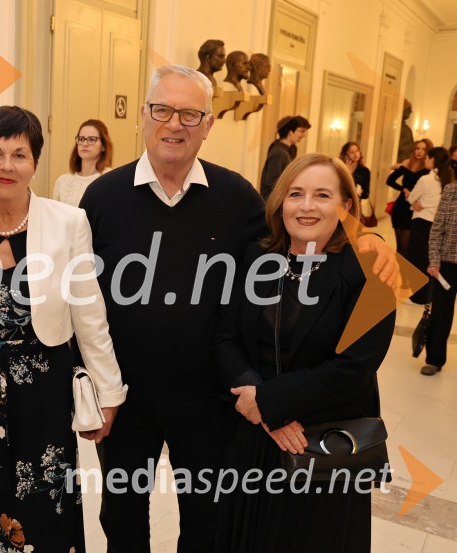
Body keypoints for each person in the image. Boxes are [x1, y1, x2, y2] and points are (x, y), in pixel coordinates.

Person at [79, 64, 398, 553]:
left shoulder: (237, 199)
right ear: (143, 116)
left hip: (212, 401)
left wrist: (370, 238)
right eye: (163, 109)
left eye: (191, 114)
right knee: (121, 518)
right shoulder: (101, 197)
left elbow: (295, 227)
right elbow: (81, 296)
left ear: (208, 125)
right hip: (125, 399)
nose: (175, 123)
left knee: (208, 523)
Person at [0, 105, 127, 552]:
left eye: (19, 154)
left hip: (43, 393)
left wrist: (108, 393)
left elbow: (90, 314)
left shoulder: (67, 223)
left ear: (35, 163)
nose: (6, 166)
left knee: (41, 506)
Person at [213, 153, 395, 553]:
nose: (307, 206)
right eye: (296, 193)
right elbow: (224, 337)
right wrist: (254, 398)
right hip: (254, 440)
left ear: (346, 206)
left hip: (323, 448)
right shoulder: (256, 256)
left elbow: (355, 367)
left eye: (322, 195)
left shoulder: (372, 270)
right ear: (280, 202)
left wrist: (268, 402)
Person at [407, 147, 453, 304]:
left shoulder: (426, 179)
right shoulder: (448, 180)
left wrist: (415, 203)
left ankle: (418, 296)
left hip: (422, 224)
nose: (425, 160)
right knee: (430, 260)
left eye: (427, 157)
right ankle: (429, 295)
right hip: (439, 226)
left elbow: (411, 197)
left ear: (432, 159)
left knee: (416, 261)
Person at [423, 166, 457, 375]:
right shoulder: (451, 191)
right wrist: (434, 260)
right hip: (448, 263)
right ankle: (434, 359)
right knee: (441, 313)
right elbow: (437, 229)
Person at [52, 118, 114, 206]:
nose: (85, 144)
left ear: (103, 146)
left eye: (92, 139)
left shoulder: (109, 178)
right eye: (81, 139)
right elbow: (55, 215)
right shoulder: (62, 181)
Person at [388, 139, 430, 260]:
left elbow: (415, 177)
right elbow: (389, 180)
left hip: (413, 208)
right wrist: (403, 189)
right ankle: (396, 274)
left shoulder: (427, 167)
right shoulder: (408, 162)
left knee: (406, 247)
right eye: (417, 148)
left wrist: (400, 167)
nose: (419, 152)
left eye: (423, 149)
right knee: (399, 247)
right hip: (400, 206)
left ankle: (404, 274)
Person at [259, 115, 311, 200]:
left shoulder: (288, 150)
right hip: (274, 202)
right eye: (301, 131)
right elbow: (272, 182)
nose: (303, 135)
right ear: (290, 132)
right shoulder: (279, 153)